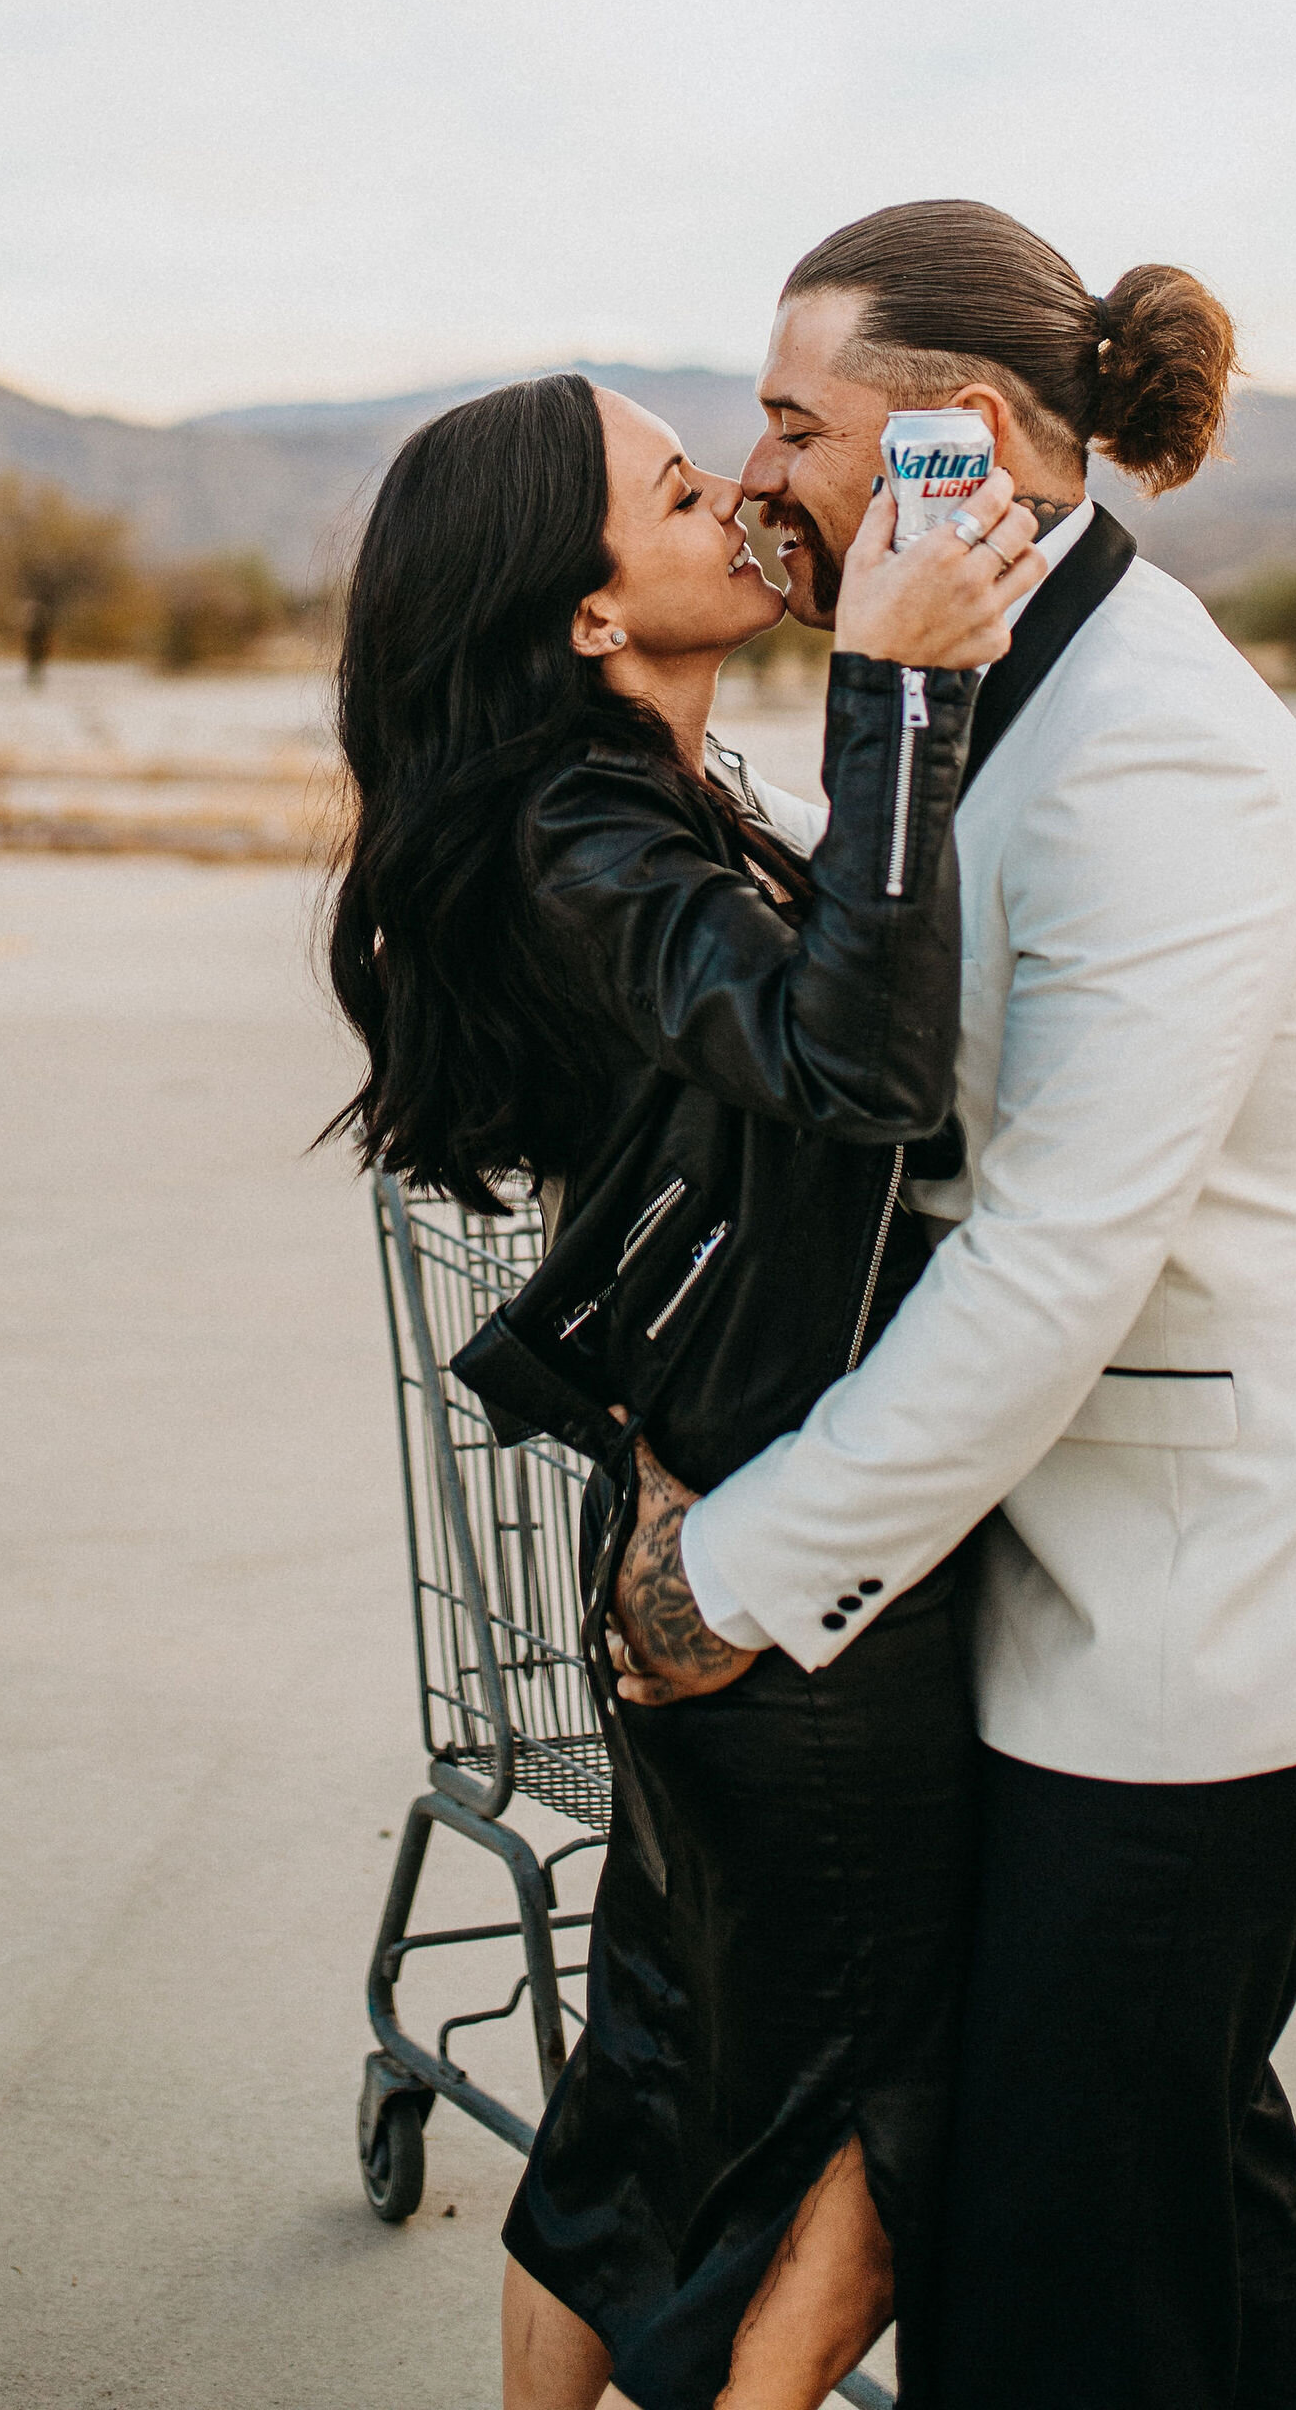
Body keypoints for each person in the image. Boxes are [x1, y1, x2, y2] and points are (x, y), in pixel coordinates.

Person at [611, 201, 1296, 2410]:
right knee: (1150, 2177)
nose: (761, 468)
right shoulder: (972, 671)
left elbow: (1053, 1258)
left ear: (958, 436)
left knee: (1057, 2258)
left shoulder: (1161, 754)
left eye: (796, 423)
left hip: (1195, 1622)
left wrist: (733, 1569)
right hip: (1064, 1576)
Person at [323, 367, 1044, 2410]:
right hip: (787, 1571)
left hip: (717, 1513)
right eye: (673, 484)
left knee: (649, 2071)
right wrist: (894, 690)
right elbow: (856, 1071)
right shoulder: (577, 838)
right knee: (903, 2095)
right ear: (581, 612)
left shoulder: (652, 809)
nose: (734, 490)